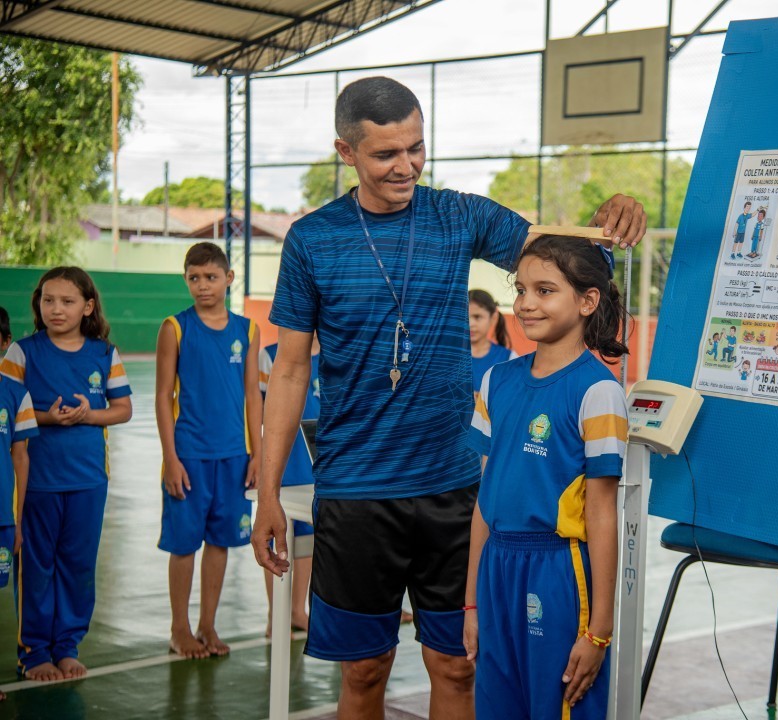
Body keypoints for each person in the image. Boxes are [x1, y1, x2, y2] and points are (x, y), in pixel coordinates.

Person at [253, 76, 645, 720]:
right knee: (364, 673)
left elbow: (562, 254)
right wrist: (268, 493)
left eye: (416, 148)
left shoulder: (457, 215)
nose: (406, 166)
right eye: (386, 154)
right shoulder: (312, 241)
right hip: (356, 488)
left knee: (458, 665)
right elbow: (291, 371)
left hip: (454, 488)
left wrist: (614, 211)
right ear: (346, 152)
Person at [463, 234, 628, 719]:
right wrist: (471, 602)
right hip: (497, 568)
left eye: (544, 290)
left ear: (586, 301)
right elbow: (484, 499)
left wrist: (598, 631)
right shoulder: (497, 380)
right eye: (521, 290)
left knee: (557, 705)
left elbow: (600, 514)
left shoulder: (598, 391)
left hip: (558, 574)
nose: (526, 304)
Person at [0, 268, 133, 681]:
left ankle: (68, 646)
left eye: (68, 301)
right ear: (38, 305)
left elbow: (123, 409)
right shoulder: (21, 353)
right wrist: (48, 418)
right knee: (36, 566)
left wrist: (88, 414)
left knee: (77, 565)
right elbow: (6, 411)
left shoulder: (104, 353)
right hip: (36, 480)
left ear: (88, 307)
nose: (56, 309)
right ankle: (34, 652)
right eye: (48, 300)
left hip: (89, 479)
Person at [155, 242, 262, 659]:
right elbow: (164, 396)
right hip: (190, 456)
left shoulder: (247, 330)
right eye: (194, 278)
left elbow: (254, 395)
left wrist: (258, 454)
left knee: (220, 542)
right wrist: (171, 458)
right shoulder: (174, 327)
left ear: (229, 278)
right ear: (186, 279)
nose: (202, 286)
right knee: (184, 544)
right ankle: (179, 628)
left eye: (211, 277)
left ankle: (207, 625)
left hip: (235, 456)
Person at [258, 334, 319, 635]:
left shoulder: (336, 354)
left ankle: (297, 610)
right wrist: (257, 457)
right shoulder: (270, 356)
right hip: (284, 461)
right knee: (276, 538)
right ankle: (276, 614)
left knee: (308, 538)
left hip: (318, 463)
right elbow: (257, 407)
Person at [0, 307, 38, 684]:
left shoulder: (15, 395)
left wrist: (17, 518)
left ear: (5, 344)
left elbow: (20, 455)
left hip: (2, 517)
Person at [468, 289, 516, 397]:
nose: (470, 324)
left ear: (493, 317)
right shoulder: (446, 356)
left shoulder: (509, 359)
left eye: (477, 317)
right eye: (465, 317)